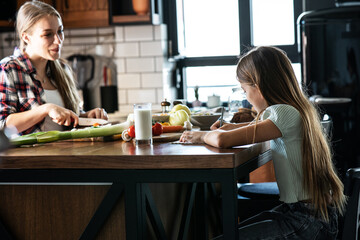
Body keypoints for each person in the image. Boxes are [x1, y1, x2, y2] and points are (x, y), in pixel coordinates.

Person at [180, 46, 346, 239]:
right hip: (309, 215)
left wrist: (198, 136)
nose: (247, 99)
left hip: (306, 222)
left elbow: (222, 140)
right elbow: (248, 129)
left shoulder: (283, 113)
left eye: (245, 91)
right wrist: (228, 127)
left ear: (258, 87)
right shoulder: (296, 109)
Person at [0, 1, 107, 135]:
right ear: (26, 37)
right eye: (48, 34)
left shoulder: (63, 69)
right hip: (29, 156)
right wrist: (46, 109)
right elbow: (3, 124)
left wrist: (87, 117)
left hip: (64, 154)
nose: (58, 40)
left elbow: (68, 122)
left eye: (60, 31)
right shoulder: (9, 69)